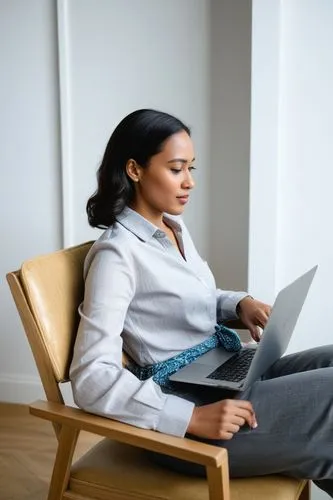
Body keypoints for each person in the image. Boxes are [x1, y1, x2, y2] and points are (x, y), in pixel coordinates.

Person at [70, 108, 333, 497]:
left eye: (191, 168)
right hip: (191, 417)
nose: (189, 182)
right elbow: (92, 376)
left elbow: (186, 301)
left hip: (216, 377)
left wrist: (237, 304)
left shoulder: (172, 228)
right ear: (134, 169)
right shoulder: (117, 256)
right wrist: (189, 416)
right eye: (176, 169)